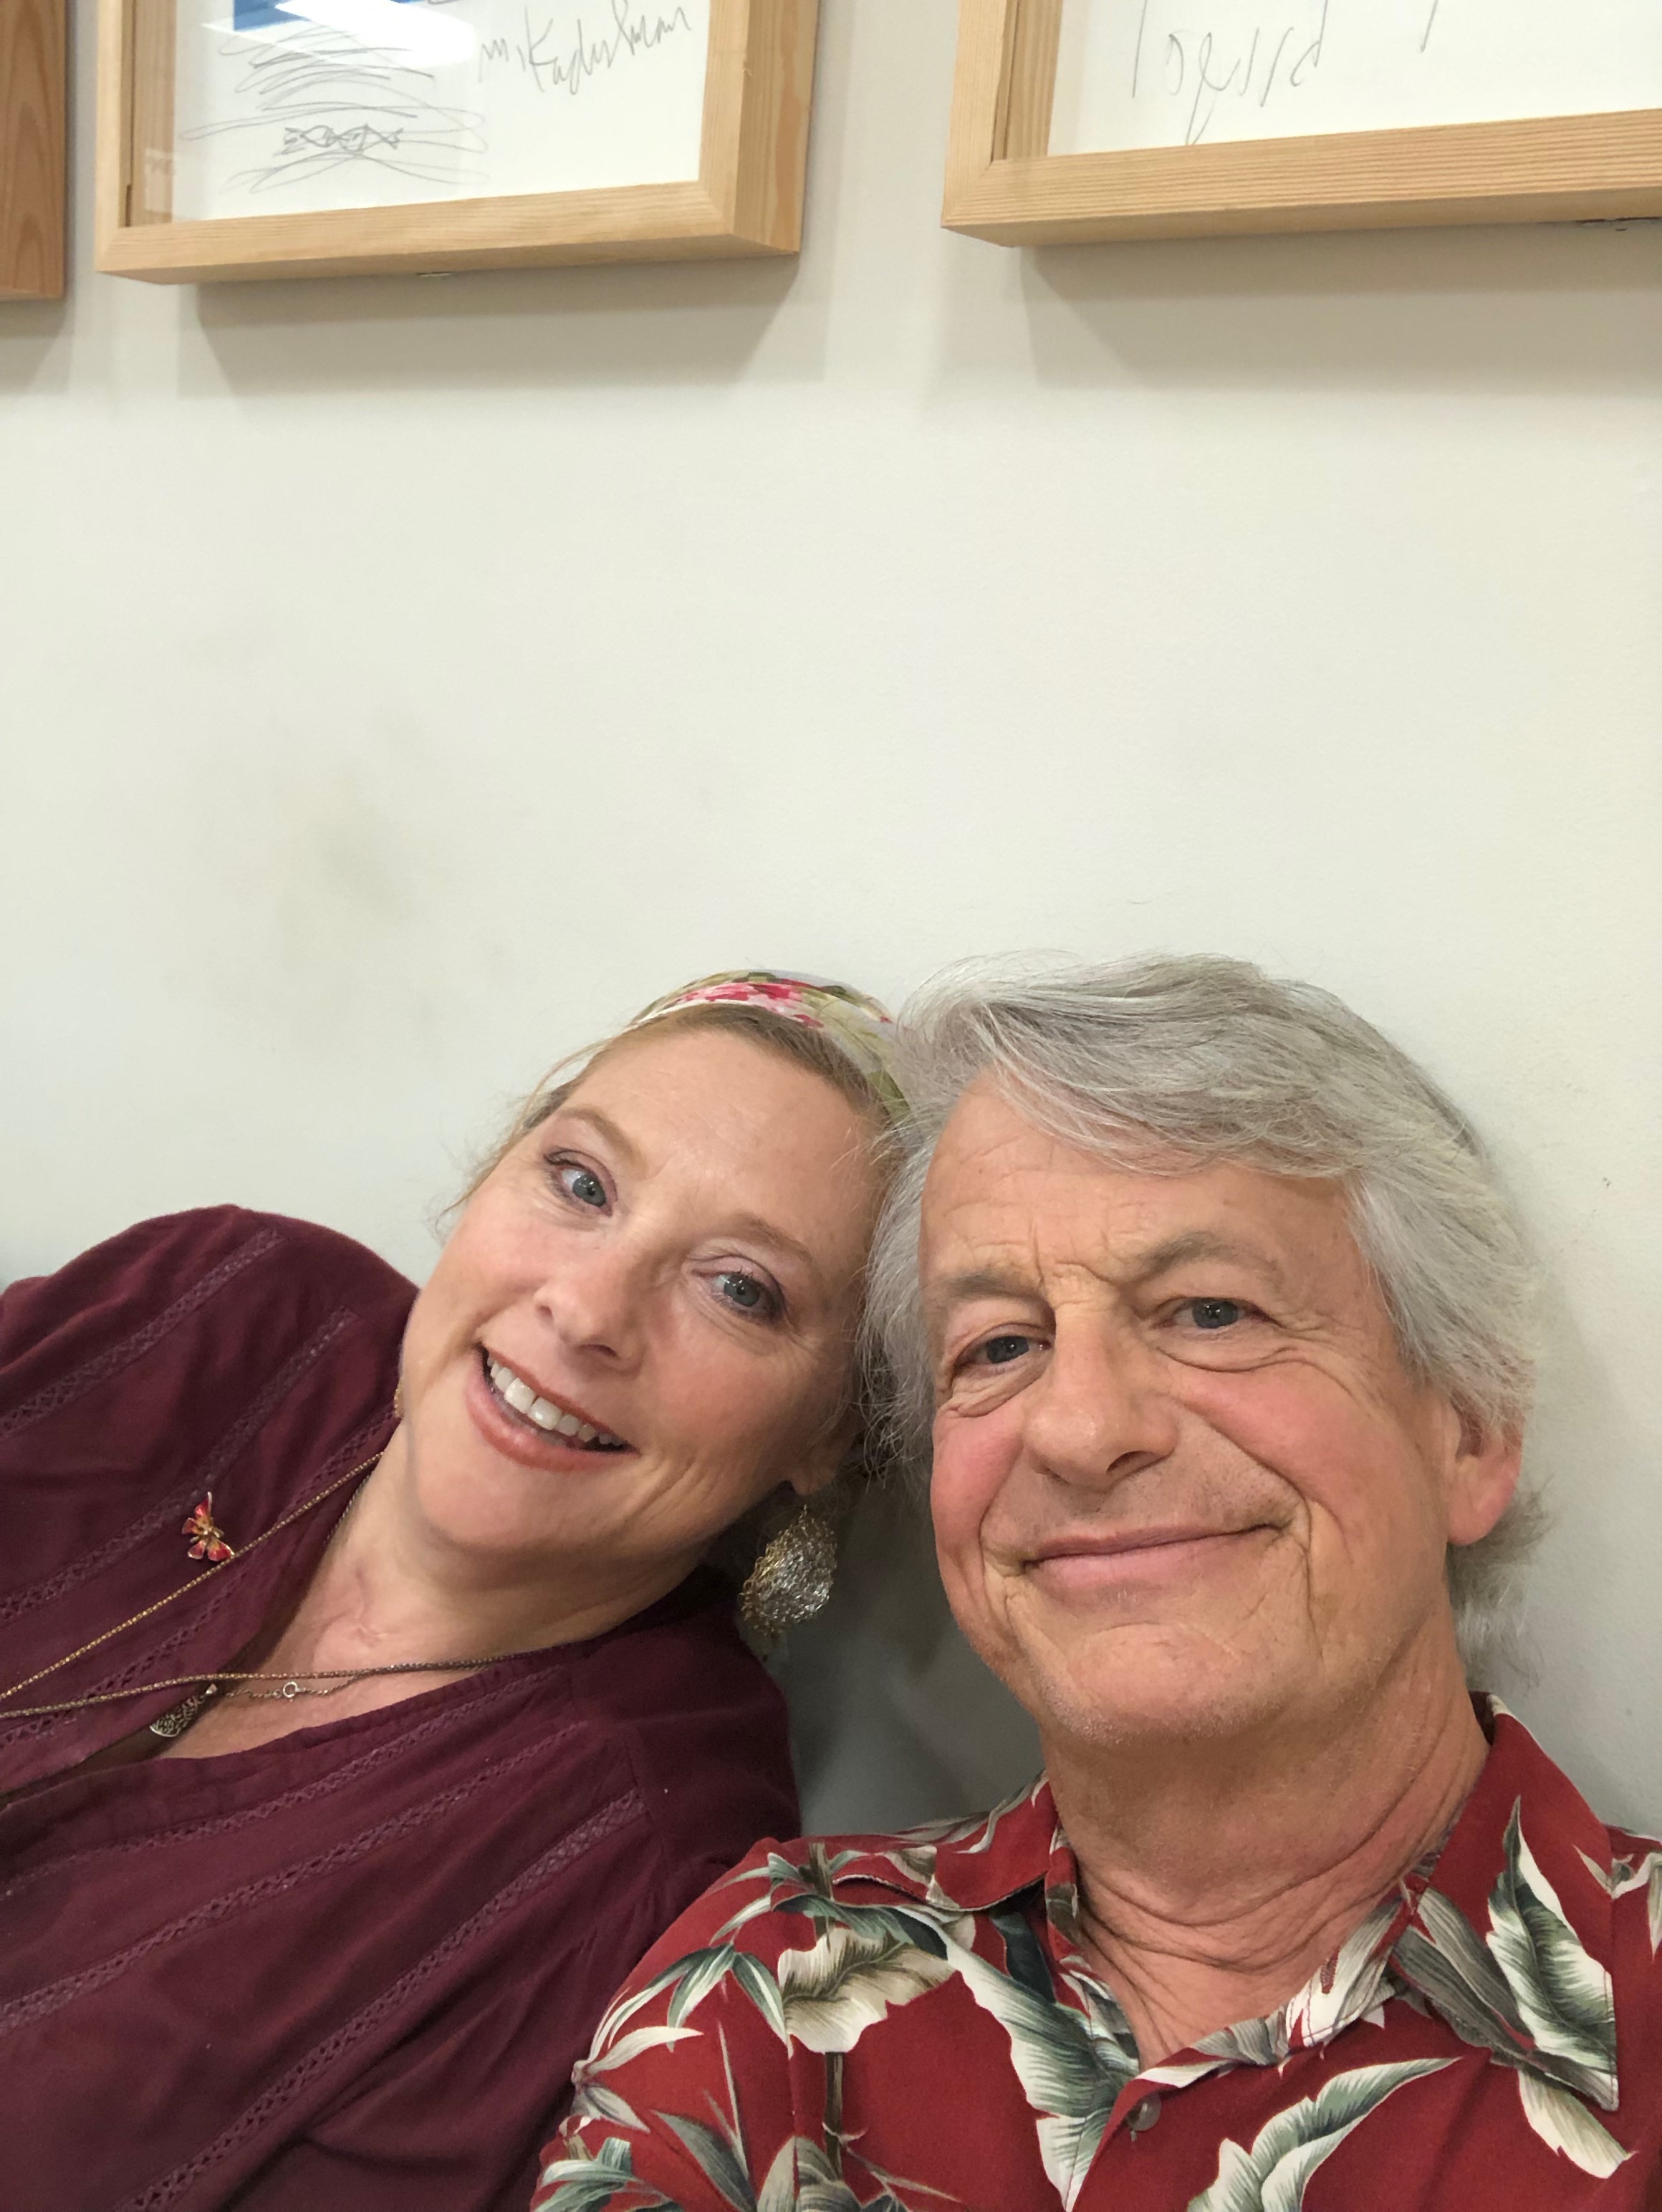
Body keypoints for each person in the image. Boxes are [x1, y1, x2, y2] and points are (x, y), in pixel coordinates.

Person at [534, 955, 1662, 2212]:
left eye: (1211, 1312)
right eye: (999, 1346)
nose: (1080, 1429)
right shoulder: (772, 1991)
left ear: (1471, 1432)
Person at [0, 968, 906, 2212]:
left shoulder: (649, 1890)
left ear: (832, 1434)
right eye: (581, 1183)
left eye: (740, 1288)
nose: (584, 1311)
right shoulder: (223, 1305)